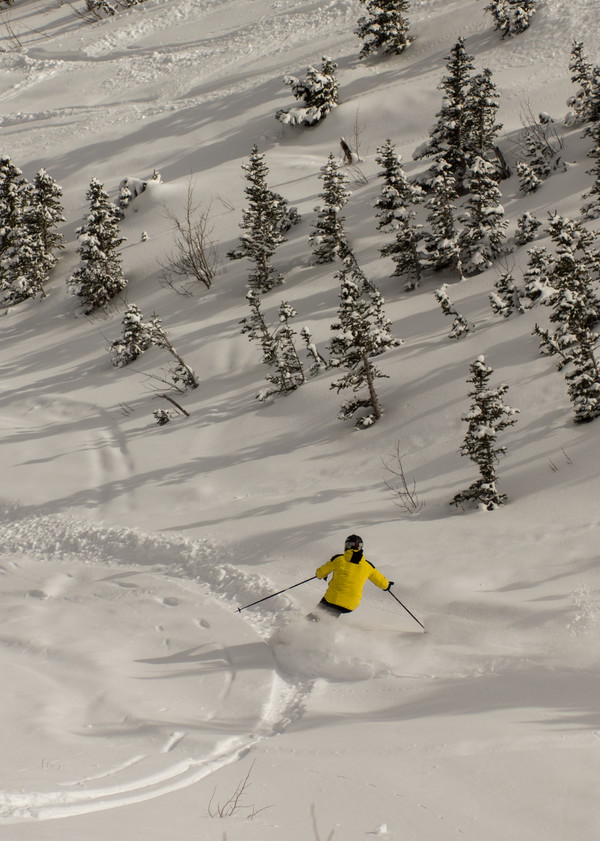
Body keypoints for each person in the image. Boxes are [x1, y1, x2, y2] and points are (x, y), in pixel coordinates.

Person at [309, 534, 394, 620]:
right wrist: (387, 585)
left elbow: (320, 573)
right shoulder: (368, 566)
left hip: (333, 600)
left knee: (316, 615)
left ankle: (310, 624)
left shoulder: (339, 559)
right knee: (330, 615)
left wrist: (322, 575)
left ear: (347, 546)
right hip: (351, 605)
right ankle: (324, 626)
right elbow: (381, 582)